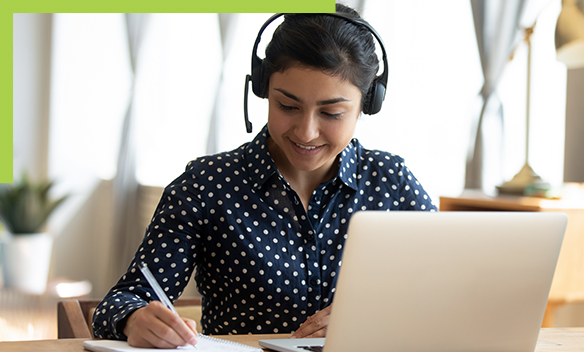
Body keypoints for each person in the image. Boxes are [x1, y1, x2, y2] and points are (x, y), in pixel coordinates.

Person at [92, 3, 437, 348]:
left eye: (331, 113)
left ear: (367, 105)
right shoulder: (207, 184)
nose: (306, 132)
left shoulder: (392, 183)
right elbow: (120, 302)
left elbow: (449, 292)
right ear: (262, 90)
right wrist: (135, 319)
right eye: (287, 106)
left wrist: (373, 319)